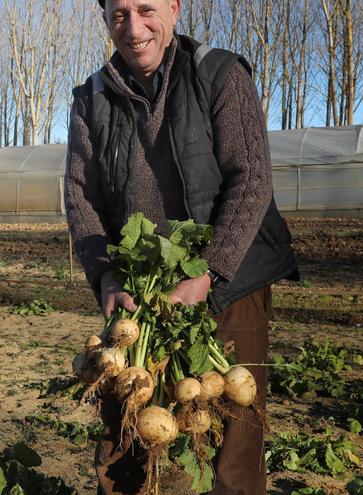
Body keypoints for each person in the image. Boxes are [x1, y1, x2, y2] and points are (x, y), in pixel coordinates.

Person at [64, 0, 300, 493]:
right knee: (125, 425)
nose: (133, 29)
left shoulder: (219, 74)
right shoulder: (92, 97)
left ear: (173, 8)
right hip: (141, 291)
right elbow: (80, 195)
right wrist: (105, 276)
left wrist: (210, 272)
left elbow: (251, 179)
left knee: (235, 427)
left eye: (146, 9)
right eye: (118, 15)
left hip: (229, 280)